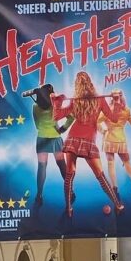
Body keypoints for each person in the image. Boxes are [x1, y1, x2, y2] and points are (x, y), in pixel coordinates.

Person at [53, 71, 122, 217]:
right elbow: (115, 118)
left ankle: (68, 209)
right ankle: (118, 205)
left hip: (73, 139)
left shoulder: (75, 101)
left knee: (69, 175)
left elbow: (57, 116)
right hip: (88, 141)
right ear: (90, 82)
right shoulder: (100, 100)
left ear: (77, 85)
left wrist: (56, 102)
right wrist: (116, 101)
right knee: (101, 176)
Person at [99, 88, 131, 200]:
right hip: (120, 140)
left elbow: (96, 121)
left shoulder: (107, 110)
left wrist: (103, 131)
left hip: (109, 139)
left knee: (111, 163)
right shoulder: (126, 110)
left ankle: (114, 188)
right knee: (126, 163)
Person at [29, 83, 71, 207]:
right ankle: (71, 192)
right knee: (62, 166)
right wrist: (62, 129)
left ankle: (39, 195)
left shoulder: (35, 106)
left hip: (41, 138)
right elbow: (71, 118)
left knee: (42, 167)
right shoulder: (56, 106)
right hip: (55, 138)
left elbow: (37, 125)